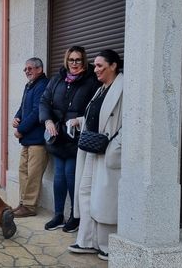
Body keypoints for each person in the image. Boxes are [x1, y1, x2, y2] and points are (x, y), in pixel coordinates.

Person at [66, 49, 123, 261]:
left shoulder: (124, 88)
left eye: (100, 66)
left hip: (107, 150)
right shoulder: (102, 89)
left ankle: (107, 245)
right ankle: (87, 240)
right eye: (96, 66)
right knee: (86, 192)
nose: (95, 69)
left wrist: (115, 146)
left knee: (104, 199)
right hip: (92, 148)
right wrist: (79, 121)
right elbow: (95, 116)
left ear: (113, 65)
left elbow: (130, 121)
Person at [39, 46, 100, 232]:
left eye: (78, 60)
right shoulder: (57, 79)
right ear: (66, 61)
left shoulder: (91, 81)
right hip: (57, 137)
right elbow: (44, 101)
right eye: (71, 60)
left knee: (71, 176)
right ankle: (58, 215)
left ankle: (75, 216)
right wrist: (47, 120)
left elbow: (95, 108)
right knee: (58, 177)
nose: (74, 63)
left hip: (76, 138)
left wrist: (79, 121)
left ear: (84, 61)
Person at [12, 57, 49, 217]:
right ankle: (22, 203)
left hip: (38, 140)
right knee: (23, 171)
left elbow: (36, 112)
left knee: (33, 174)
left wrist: (21, 129)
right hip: (27, 139)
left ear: (39, 69)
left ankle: (29, 206)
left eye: (30, 68)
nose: (27, 71)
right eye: (25, 69)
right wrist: (16, 117)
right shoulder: (29, 86)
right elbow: (23, 107)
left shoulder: (42, 85)